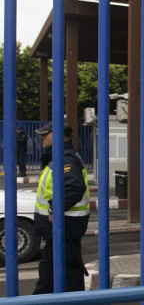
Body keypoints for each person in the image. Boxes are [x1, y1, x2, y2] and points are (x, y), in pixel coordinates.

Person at [33, 122, 90, 294]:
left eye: (46, 134)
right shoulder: (59, 157)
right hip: (63, 225)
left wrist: (54, 210)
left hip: (65, 225)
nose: (42, 138)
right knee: (68, 271)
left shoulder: (65, 159)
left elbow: (74, 187)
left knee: (50, 273)